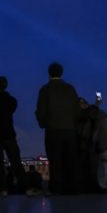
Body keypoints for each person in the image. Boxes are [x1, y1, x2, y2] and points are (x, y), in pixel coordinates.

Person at [35, 62, 82, 195]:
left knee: (55, 161)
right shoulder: (70, 89)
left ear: (49, 73)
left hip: (52, 130)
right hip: (69, 130)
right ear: (61, 73)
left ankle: (56, 188)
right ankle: (72, 188)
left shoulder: (45, 89)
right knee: (70, 160)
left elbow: (40, 110)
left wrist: (44, 124)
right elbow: (77, 110)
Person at [76, 95, 107, 193]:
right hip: (92, 146)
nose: (82, 105)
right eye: (80, 103)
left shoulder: (93, 117)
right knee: (100, 167)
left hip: (96, 145)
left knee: (101, 167)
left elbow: (101, 133)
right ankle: (102, 187)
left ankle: (103, 187)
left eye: (83, 103)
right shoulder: (89, 117)